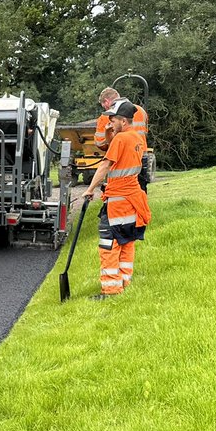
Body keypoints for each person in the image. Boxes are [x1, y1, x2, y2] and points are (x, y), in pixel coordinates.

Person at [79, 110, 151, 299]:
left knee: (108, 244)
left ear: (124, 121)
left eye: (114, 120)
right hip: (132, 199)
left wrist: (90, 189)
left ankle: (111, 290)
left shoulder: (121, 140)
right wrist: (111, 132)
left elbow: (105, 165)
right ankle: (124, 282)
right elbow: (117, 149)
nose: (110, 122)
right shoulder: (136, 138)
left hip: (117, 201)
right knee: (126, 240)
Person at [95, 86, 151, 189]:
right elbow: (145, 132)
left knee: (120, 192)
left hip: (122, 160)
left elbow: (100, 144)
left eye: (104, 106)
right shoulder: (141, 111)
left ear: (107, 102)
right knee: (139, 190)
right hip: (141, 156)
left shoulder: (107, 116)